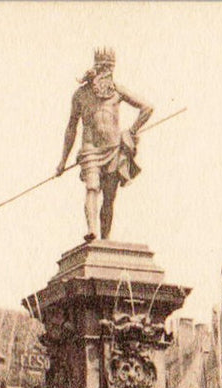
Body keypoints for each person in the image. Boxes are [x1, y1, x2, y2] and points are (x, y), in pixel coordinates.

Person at [57, 47, 153, 243]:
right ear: (96, 70)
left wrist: (132, 131)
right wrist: (62, 162)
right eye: (103, 69)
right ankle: (92, 230)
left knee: (109, 198)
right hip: (90, 150)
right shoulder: (80, 95)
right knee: (92, 187)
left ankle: (105, 241)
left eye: (110, 70)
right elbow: (71, 129)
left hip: (114, 149)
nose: (107, 75)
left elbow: (147, 108)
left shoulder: (118, 91)